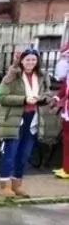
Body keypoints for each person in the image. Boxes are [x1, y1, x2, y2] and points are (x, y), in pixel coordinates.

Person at [0, 48, 52, 198]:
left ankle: (17, 184)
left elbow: (48, 93)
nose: (30, 62)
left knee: (24, 154)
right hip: (14, 119)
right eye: (27, 59)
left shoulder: (41, 76)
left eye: (33, 59)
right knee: (10, 153)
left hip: (32, 119)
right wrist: (24, 100)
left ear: (37, 61)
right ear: (22, 61)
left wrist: (42, 99)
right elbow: (1, 96)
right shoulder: (12, 75)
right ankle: (4, 186)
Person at [52, 43, 69, 180]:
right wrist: (57, 98)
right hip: (67, 110)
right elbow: (64, 88)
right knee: (66, 139)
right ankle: (65, 167)